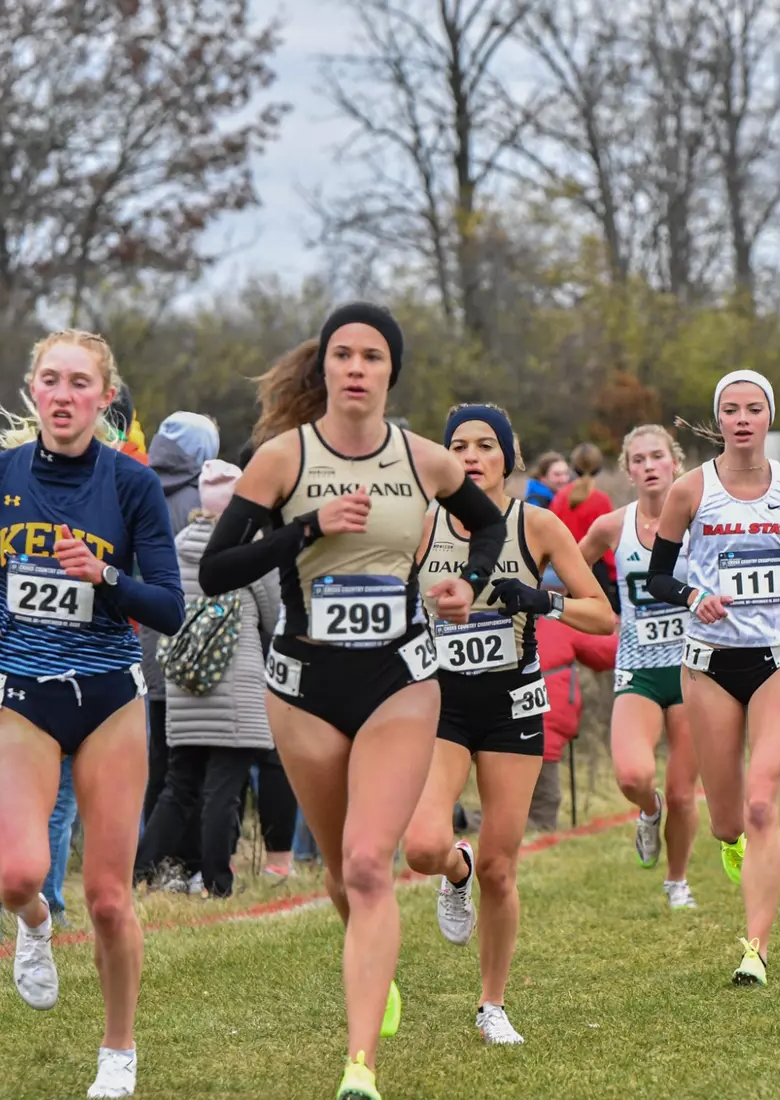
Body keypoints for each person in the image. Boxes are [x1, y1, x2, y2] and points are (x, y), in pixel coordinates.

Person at [198, 304, 508, 1100]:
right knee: (341, 873)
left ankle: (359, 1068)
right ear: (325, 368)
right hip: (304, 688)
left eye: (373, 356)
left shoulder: (425, 459)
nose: (358, 368)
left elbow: (487, 530)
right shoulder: (282, 458)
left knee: (371, 864)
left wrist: (467, 585)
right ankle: (374, 962)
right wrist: (305, 531)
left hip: (398, 680)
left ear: (391, 371)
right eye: (344, 354)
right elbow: (217, 570)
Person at [0, 330, 186, 1099]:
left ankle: (118, 1052)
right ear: (33, 389)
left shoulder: (132, 484)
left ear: (104, 397)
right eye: (50, 379)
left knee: (109, 898)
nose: (62, 395)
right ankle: (33, 923)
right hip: (25, 693)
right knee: (18, 875)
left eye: (79, 382)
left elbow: (170, 607)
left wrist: (105, 575)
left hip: (110, 696)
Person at [404, 403, 616, 1045]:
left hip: (513, 706)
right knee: (422, 848)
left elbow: (602, 616)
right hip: (441, 704)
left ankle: (491, 1004)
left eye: (485, 445)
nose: (472, 457)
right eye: (459, 446)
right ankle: (455, 870)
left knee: (501, 868)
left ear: (508, 456)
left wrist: (542, 600)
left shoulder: (538, 524)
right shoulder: (423, 524)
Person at [640, 369, 780, 987]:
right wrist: (693, 597)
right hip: (709, 665)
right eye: (731, 409)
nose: (743, 419)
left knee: (761, 803)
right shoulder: (689, 490)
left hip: (779, 658)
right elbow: (657, 577)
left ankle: (755, 948)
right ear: (719, 419)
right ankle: (732, 843)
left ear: (769, 416)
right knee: (728, 821)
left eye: (754, 408)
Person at [135, 460, 286, 898]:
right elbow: (274, 616)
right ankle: (217, 882)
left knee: (179, 786)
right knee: (224, 788)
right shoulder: (247, 548)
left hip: (186, 685)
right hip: (235, 688)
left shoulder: (179, 544)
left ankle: (139, 871)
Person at [577, 425, 701, 904]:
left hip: (694, 670)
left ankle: (677, 882)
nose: (649, 466)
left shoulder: (701, 521)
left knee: (684, 793)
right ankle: (649, 811)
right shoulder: (612, 526)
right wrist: (596, 609)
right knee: (633, 776)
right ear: (628, 471)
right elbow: (569, 568)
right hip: (639, 668)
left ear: (675, 463)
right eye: (638, 459)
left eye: (657, 456)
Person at [138, 412, 219, 889]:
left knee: (161, 763)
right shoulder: (202, 503)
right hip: (202, 650)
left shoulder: (141, 490)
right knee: (196, 769)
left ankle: (155, 864)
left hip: (152, 646)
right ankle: (189, 863)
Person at [531, 588, 618, 833]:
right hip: (542, 731)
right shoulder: (560, 616)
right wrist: (600, 611)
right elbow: (609, 652)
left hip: (490, 727)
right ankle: (463, 820)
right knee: (543, 813)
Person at [551, 443, 616, 592]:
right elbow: (606, 545)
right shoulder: (601, 500)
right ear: (598, 468)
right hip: (596, 572)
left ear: (574, 467)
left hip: (566, 571)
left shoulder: (560, 497)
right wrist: (614, 573)